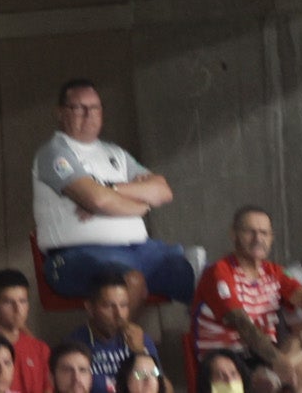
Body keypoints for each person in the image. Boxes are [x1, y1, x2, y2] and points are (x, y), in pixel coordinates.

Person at [33, 84, 191, 303]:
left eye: (95, 108)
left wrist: (110, 189)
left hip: (140, 250)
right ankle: (124, 338)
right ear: (60, 112)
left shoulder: (116, 153)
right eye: (79, 108)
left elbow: (163, 191)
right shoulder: (54, 152)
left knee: (193, 272)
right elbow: (97, 200)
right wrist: (140, 204)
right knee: (129, 281)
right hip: (77, 257)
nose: (89, 114)